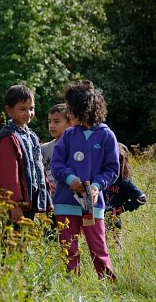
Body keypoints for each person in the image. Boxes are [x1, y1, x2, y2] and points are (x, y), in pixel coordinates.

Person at [51, 80, 119, 279]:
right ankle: (71, 288)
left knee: (99, 248)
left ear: (84, 108)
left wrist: (97, 186)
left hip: (92, 204)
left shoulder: (107, 136)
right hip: (65, 203)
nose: (69, 113)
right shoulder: (69, 134)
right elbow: (57, 164)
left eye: (72, 109)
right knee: (68, 250)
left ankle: (108, 286)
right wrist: (70, 177)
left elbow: (112, 169)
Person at [0, 85, 52, 226]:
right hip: (18, 203)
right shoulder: (8, 138)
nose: (28, 113)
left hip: (30, 200)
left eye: (31, 108)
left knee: (25, 242)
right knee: (14, 244)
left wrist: (46, 195)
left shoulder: (31, 136)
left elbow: (39, 168)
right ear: (8, 110)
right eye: (22, 109)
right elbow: (8, 175)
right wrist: (14, 204)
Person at [104, 143, 147, 249]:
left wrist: (123, 208)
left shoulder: (124, 182)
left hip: (114, 225)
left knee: (116, 252)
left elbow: (141, 198)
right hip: (96, 221)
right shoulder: (101, 179)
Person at [40, 103, 71, 193]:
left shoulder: (75, 148)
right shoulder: (43, 149)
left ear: (70, 123)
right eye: (49, 121)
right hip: (49, 200)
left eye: (56, 121)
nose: (51, 125)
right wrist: (46, 183)